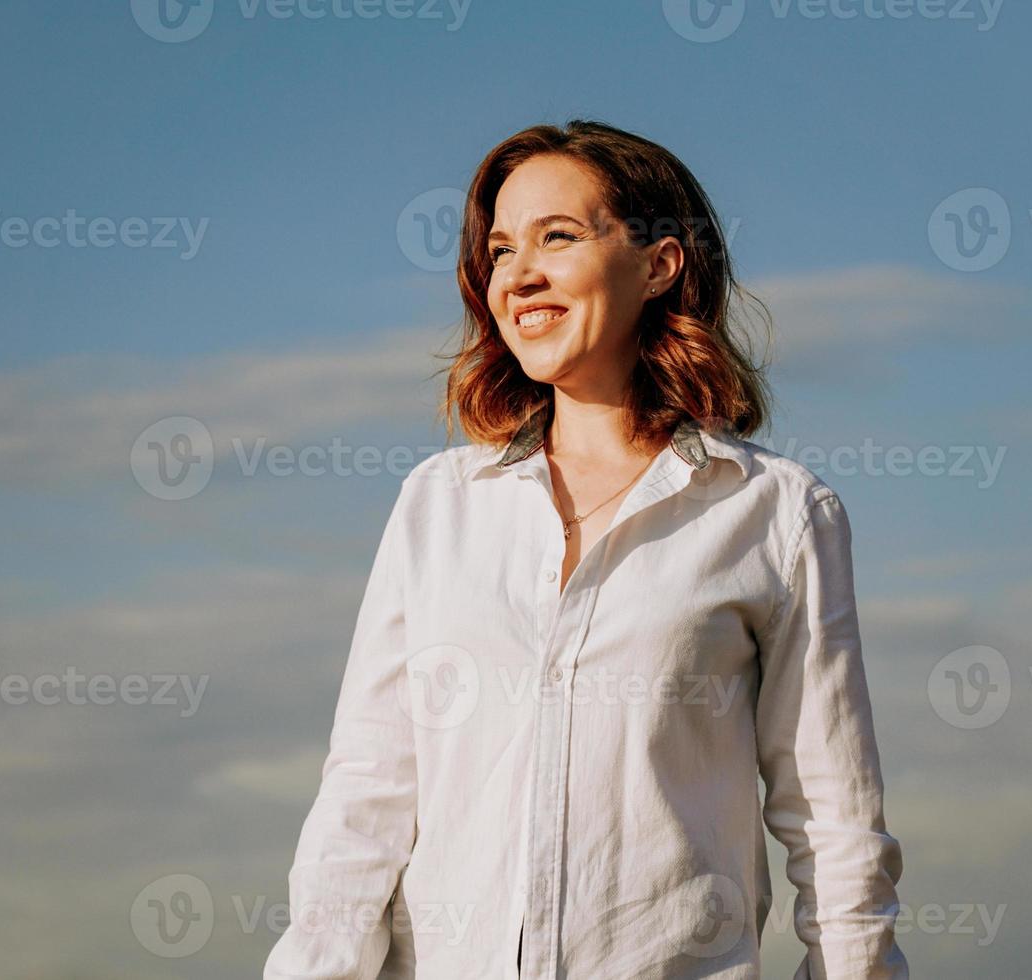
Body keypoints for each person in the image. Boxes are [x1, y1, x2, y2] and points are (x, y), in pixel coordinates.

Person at [264, 119, 908, 979]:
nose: (518, 274)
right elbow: (368, 790)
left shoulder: (776, 514)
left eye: (557, 237)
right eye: (498, 251)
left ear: (659, 265)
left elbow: (832, 816)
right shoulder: (439, 504)